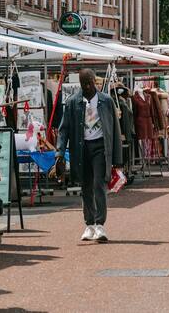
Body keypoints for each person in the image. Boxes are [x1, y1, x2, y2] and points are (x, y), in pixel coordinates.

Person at [57, 68, 124, 242]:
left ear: (95, 81)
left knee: (98, 184)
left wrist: (117, 159)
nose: (87, 87)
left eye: (89, 83)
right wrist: (60, 152)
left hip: (100, 147)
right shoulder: (73, 102)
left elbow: (115, 130)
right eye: (83, 84)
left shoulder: (106, 101)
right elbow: (64, 130)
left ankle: (100, 224)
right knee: (85, 186)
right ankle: (89, 225)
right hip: (81, 148)